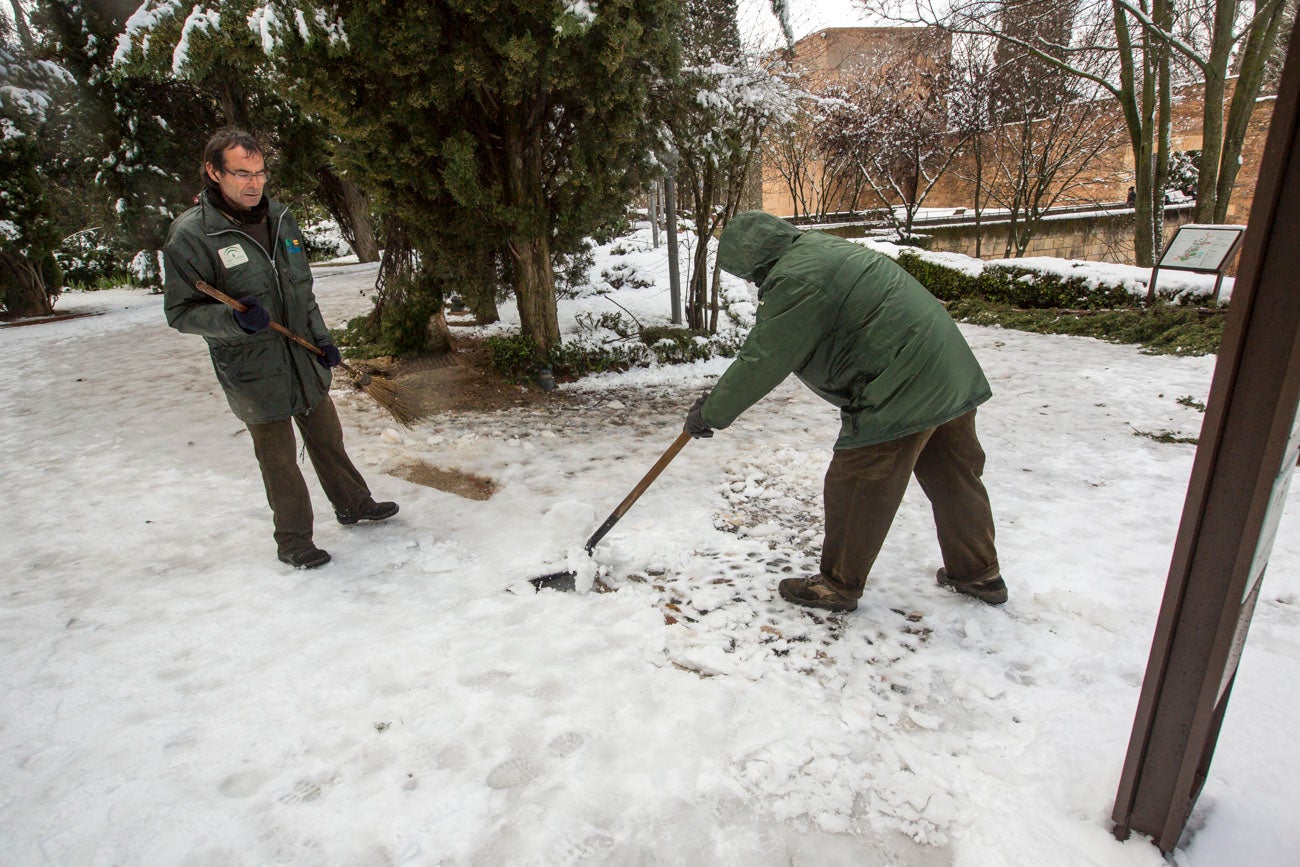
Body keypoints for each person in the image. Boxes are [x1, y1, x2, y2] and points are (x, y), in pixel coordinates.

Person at [683, 211, 1004, 613]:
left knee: (857, 480)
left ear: (755, 259)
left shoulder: (797, 278)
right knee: (953, 476)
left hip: (899, 383)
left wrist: (710, 413)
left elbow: (764, 359)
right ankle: (979, 573)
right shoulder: (822, 249)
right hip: (946, 368)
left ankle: (837, 584)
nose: (749, 282)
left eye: (747, 273)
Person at [163, 128, 397, 570]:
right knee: (279, 459)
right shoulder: (192, 236)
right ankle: (293, 541)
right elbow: (180, 313)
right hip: (252, 369)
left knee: (328, 437)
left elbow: (301, 291)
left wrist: (323, 339)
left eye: (260, 173)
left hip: (301, 356)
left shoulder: (281, 219)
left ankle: (354, 504)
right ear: (214, 173)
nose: (253, 184)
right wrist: (231, 320)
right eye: (241, 174)